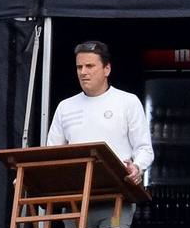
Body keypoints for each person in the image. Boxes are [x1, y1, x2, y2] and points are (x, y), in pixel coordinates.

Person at [48, 40, 152, 184]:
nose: (83, 72)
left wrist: (137, 167)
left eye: (89, 66)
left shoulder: (128, 101)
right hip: (75, 192)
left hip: (118, 189)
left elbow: (144, 148)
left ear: (107, 69)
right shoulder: (65, 107)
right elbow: (52, 155)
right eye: (79, 67)